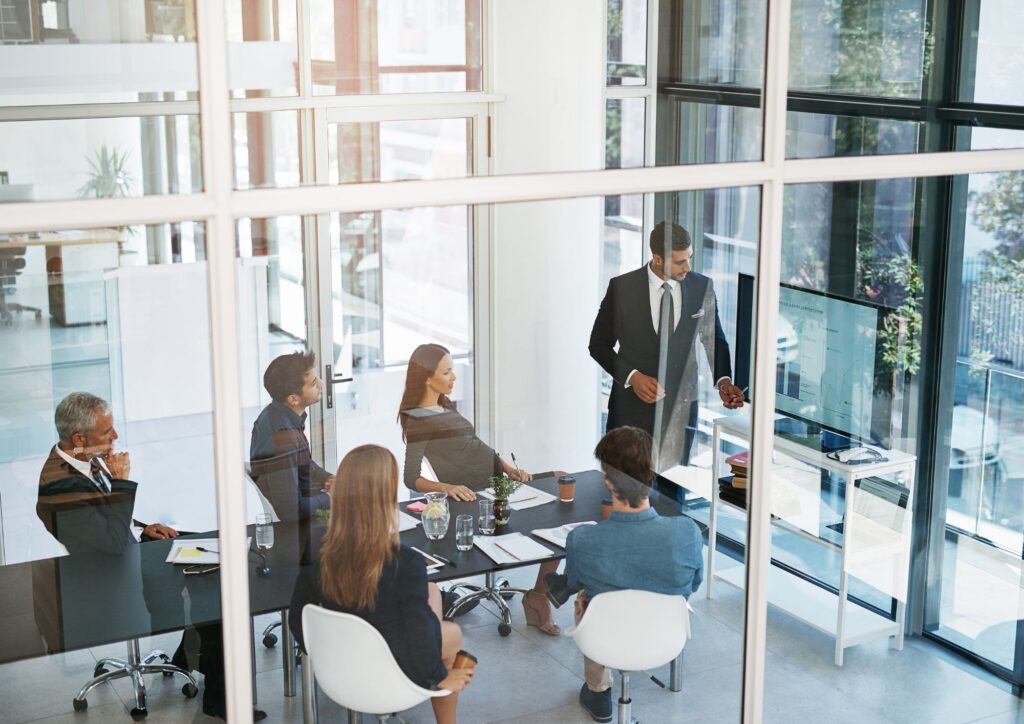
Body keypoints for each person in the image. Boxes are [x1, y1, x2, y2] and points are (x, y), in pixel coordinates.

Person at [36, 392, 263, 721]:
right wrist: (122, 482)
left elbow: (103, 528)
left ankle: (190, 655)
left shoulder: (77, 458)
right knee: (217, 586)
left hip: (122, 554)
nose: (115, 437)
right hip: (112, 578)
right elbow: (110, 544)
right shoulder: (61, 486)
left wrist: (142, 529)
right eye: (107, 432)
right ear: (79, 438)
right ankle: (220, 698)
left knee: (213, 548)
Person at [289, 445, 474, 724]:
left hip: (338, 671)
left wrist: (325, 651)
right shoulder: (404, 562)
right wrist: (439, 676)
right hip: (393, 672)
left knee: (432, 592)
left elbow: (297, 618)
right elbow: (419, 634)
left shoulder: (318, 547)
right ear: (385, 498)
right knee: (453, 633)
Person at [397, 343, 563, 635]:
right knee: (553, 512)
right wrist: (447, 487)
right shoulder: (419, 419)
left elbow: (475, 445)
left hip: (499, 483)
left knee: (561, 482)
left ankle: (537, 595)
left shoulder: (443, 404)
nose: (454, 377)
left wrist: (510, 470)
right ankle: (538, 599)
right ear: (426, 377)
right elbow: (411, 477)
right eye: (446, 371)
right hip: (479, 495)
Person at [562, 426, 704, 722]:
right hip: (666, 640)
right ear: (652, 475)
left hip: (604, 641)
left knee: (585, 596)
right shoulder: (687, 532)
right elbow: (693, 585)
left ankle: (599, 691)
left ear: (608, 482)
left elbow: (573, 583)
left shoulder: (583, 540)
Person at [589, 221, 745, 488]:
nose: (688, 267)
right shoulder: (622, 289)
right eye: (680, 261)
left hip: (680, 413)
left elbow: (714, 340)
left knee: (673, 496)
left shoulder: (701, 287)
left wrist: (724, 381)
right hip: (630, 413)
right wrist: (633, 377)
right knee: (625, 491)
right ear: (658, 259)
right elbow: (598, 345)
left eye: (689, 259)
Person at [249, 350, 333, 522]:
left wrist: (327, 479)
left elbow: (304, 463)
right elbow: (290, 509)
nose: (322, 384)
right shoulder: (282, 437)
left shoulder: (278, 416)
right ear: (293, 399)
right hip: (305, 525)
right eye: (313, 384)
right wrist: (331, 498)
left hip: (310, 503)